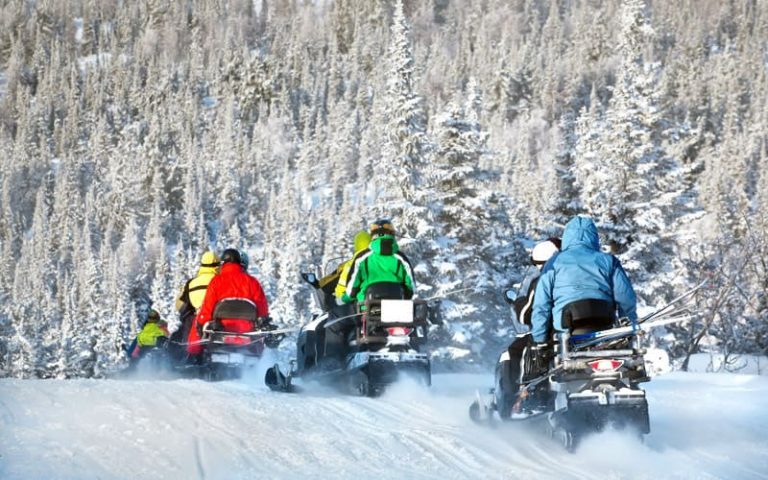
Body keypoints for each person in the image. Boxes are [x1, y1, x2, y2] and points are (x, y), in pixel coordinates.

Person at [530, 215, 637, 345]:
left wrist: (539, 341)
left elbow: (541, 305)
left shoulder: (554, 263)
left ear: (567, 238)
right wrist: (627, 330)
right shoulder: (609, 261)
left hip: (566, 332)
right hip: (604, 327)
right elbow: (626, 299)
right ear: (594, 237)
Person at [494, 238, 560, 418]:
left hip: (551, 333)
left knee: (516, 350)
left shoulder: (544, 279)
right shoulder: (589, 270)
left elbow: (529, 312)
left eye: (539, 264)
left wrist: (518, 303)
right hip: (588, 334)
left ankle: (517, 399)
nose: (539, 268)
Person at [186, 248, 269, 356]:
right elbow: (262, 309)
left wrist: (201, 323)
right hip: (247, 331)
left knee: (197, 320)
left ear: (223, 263)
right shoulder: (252, 282)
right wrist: (263, 322)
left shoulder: (216, 281)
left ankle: (193, 355)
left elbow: (207, 308)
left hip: (221, 330)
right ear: (240, 263)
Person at [343, 219, 414, 304]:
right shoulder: (401, 258)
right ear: (392, 234)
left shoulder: (361, 258)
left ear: (373, 235)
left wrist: (344, 299)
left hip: (366, 307)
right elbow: (411, 287)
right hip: (396, 307)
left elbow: (352, 289)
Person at [170, 251, 220, 358]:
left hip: (196, 319)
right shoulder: (220, 281)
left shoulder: (191, 283)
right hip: (218, 319)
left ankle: (188, 356)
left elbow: (180, 305)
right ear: (217, 266)